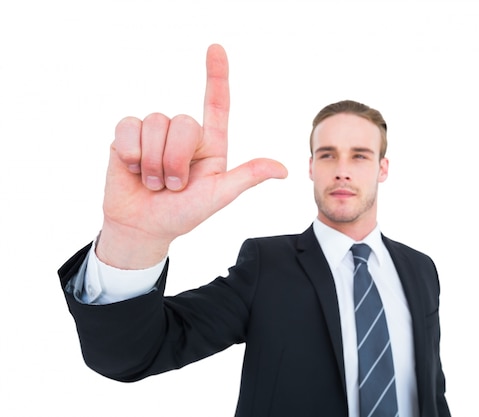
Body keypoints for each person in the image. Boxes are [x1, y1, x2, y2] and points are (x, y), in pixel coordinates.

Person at [58, 44, 451, 417]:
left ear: (383, 168)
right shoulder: (269, 265)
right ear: (311, 167)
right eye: (327, 154)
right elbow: (135, 353)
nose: (342, 169)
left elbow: (429, 390)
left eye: (360, 156)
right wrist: (134, 242)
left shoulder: (420, 269)